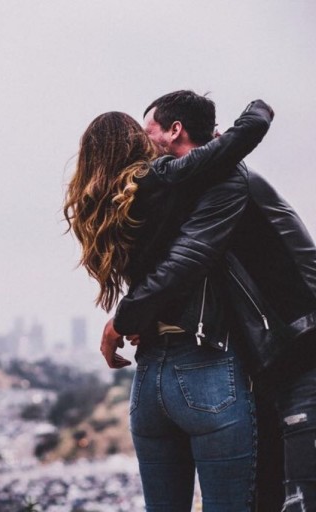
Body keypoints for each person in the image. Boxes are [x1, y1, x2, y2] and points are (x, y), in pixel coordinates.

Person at [104, 90, 316, 511]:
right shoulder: (201, 185)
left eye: (149, 133)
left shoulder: (226, 180)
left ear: (175, 131)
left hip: (301, 351)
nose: (144, 149)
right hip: (271, 359)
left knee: (300, 498)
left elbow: (185, 262)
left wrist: (122, 319)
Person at [65, 98, 274, 511]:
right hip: (206, 367)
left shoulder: (107, 212)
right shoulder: (160, 179)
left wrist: (129, 318)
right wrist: (256, 112)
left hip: (149, 380)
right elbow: (231, 148)